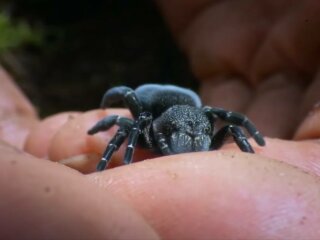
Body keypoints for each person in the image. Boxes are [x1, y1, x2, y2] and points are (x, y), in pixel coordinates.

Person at [1, 1, 320, 239]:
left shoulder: (206, 121)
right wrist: (117, 158)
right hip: (155, 105)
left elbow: (231, 122)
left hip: (189, 106)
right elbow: (124, 103)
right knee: (127, 117)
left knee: (229, 123)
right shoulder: (144, 124)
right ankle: (110, 167)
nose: (190, 141)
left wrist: (254, 151)